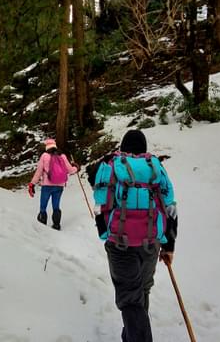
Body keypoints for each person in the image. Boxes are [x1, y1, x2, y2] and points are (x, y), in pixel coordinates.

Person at [87, 129, 177, 342]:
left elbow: (100, 204)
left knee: (130, 298)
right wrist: (169, 246)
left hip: (119, 243)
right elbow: (171, 207)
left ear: (123, 147)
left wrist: (104, 232)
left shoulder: (110, 166)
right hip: (151, 242)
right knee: (142, 291)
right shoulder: (155, 167)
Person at [28, 138, 78, 230]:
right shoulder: (62, 156)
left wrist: (32, 184)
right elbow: (70, 170)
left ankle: (42, 226)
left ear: (47, 147)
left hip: (47, 185)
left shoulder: (44, 156)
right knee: (56, 205)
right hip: (59, 185)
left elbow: (38, 172)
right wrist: (76, 167)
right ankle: (56, 225)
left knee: (43, 206)